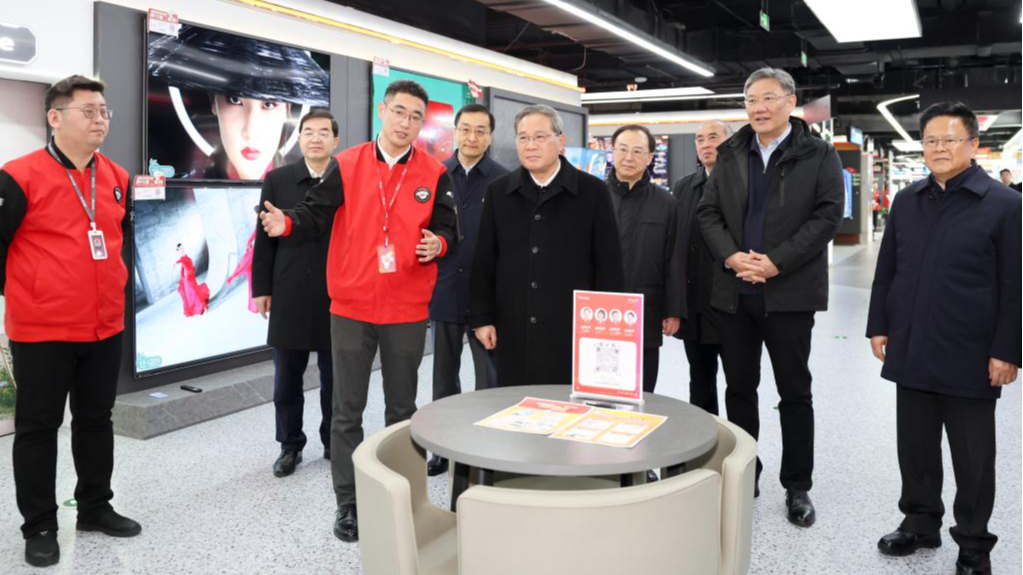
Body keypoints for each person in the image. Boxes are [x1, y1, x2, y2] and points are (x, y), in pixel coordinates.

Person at [259, 80, 458, 544]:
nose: (406, 124)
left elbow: (450, 229)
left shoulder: (434, 172)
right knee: (347, 410)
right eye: (399, 113)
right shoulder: (346, 164)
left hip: (407, 309)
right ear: (382, 112)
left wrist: (440, 242)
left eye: (415, 117)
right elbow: (312, 211)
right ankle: (349, 504)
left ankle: (404, 497)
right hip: (350, 307)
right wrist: (285, 222)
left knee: (402, 410)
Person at [868, 102, 1021, 575]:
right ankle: (919, 523)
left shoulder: (1004, 205)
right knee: (914, 443)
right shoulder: (908, 200)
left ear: (974, 144)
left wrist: (1008, 350)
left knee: (972, 454)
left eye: (950, 139)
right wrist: (878, 324)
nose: (939, 148)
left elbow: (1017, 284)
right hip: (911, 343)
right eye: (931, 140)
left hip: (971, 351)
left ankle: (974, 542)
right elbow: (887, 269)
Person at [0, 75, 142, 568]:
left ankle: (95, 506)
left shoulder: (118, 178)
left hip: (105, 325)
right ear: (55, 117)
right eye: (89, 110)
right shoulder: (17, 176)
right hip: (42, 329)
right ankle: (39, 523)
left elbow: (121, 243)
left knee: (96, 420)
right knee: (39, 427)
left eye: (104, 110)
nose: (100, 118)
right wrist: (35, 292)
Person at [698, 68, 844, 528]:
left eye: (768, 98)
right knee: (739, 390)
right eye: (750, 100)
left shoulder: (817, 154)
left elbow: (827, 217)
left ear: (790, 101)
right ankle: (748, 474)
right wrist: (732, 257)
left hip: (790, 294)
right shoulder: (730, 151)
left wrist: (777, 261)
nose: (758, 108)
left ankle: (797, 485)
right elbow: (708, 212)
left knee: (793, 392)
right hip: (735, 294)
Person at [471, 105, 625, 388]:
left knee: (568, 411)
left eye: (540, 137)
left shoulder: (592, 192)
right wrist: (482, 318)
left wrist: (608, 326)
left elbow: (609, 263)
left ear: (561, 141)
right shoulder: (499, 192)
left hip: (572, 327)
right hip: (512, 325)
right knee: (513, 409)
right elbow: (484, 260)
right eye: (522, 137)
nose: (530, 145)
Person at [251, 109, 341, 479]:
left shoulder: (347, 180)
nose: (316, 138)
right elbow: (263, 238)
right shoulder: (277, 179)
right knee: (287, 378)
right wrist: (262, 289)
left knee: (336, 377)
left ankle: (335, 442)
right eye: (308, 132)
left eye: (324, 132)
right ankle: (290, 446)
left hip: (337, 291)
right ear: (299, 138)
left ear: (336, 141)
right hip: (289, 290)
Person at [426, 103, 509, 477]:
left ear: (490, 136)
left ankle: (489, 448)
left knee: (488, 378)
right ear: (455, 132)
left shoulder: (505, 181)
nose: (472, 137)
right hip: (443, 287)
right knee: (443, 376)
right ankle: (442, 446)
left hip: (486, 295)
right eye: (466, 129)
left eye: (481, 130)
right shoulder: (434, 174)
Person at [148, 24, 330, 181]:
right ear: (213, 102)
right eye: (234, 100)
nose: (250, 132)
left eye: (268, 104)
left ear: (287, 108)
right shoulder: (180, 195)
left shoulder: (307, 193)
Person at [607, 124, 682, 394]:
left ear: (650, 157)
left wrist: (672, 310)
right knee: (599, 389)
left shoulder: (666, 203)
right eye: (623, 149)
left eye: (638, 151)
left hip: (646, 310)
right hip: (600, 311)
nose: (629, 157)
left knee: (643, 391)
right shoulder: (593, 196)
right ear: (611, 151)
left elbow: (673, 258)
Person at [672, 120, 733, 416]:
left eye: (713, 137)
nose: (705, 144)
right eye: (699, 139)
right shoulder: (684, 187)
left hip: (734, 307)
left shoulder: (744, 185)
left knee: (740, 385)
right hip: (695, 306)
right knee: (700, 382)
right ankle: (705, 449)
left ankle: (745, 456)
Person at [176, 243, 211, 317]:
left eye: (183, 248)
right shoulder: (181, 258)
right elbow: (181, 262)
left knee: (196, 291)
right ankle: (202, 308)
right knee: (194, 293)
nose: (182, 250)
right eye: (181, 249)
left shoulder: (185, 256)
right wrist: (176, 263)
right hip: (188, 279)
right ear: (178, 251)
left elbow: (186, 265)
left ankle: (200, 307)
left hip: (191, 277)